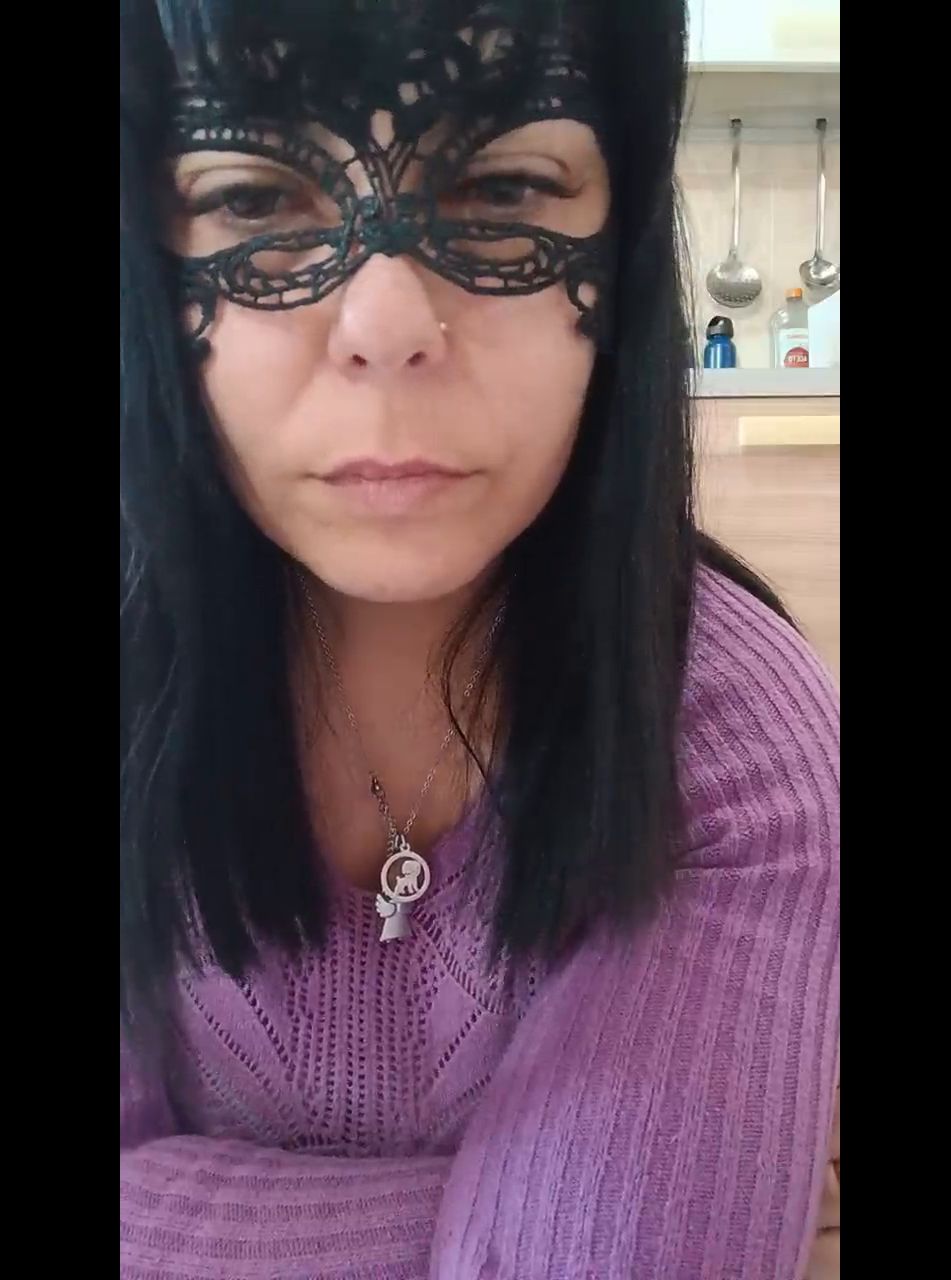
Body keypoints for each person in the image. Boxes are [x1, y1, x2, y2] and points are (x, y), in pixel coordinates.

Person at [119, 2, 840, 1276]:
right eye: (255, 197)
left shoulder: (733, 732)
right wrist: (564, 1209)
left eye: (502, 188)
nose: (385, 321)